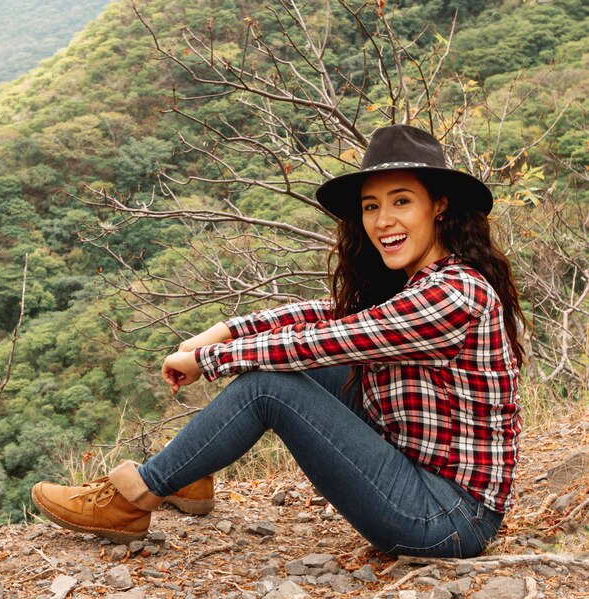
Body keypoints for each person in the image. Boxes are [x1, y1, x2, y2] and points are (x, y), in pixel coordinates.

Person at [32, 124, 524, 558]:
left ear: (438, 205)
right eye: (371, 206)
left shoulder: (453, 292)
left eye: (401, 201)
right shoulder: (422, 279)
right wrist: (227, 329)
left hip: (449, 519)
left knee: (271, 385)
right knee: (289, 367)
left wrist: (211, 358)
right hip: (417, 473)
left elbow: (327, 341)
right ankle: (187, 473)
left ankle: (134, 497)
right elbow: (330, 315)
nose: (382, 220)